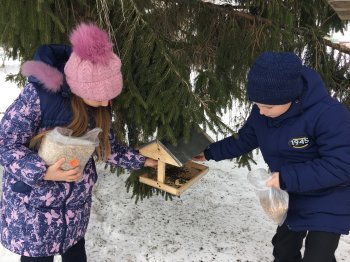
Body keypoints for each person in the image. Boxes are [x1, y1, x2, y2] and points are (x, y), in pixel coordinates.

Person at [0, 23, 157, 261]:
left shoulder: (99, 107)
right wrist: (43, 172)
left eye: (110, 97)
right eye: (101, 97)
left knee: (76, 255)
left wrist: (143, 160)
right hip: (35, 211)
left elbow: (107, 147)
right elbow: (5, 143)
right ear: (79, 87)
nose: (106, 105)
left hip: (74, 209)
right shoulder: (39, 97)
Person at [194, 52, 350, 262]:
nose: (261, 111)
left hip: (329, 195)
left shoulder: (329, 115)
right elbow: (245, 139)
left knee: (318, 256)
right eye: (257, 105)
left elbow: (340, 165)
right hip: (291, 193)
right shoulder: (263, 109)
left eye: (267, 107)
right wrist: (210, 152)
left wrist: (285, 177)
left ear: (291, 97)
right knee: (283, 250)